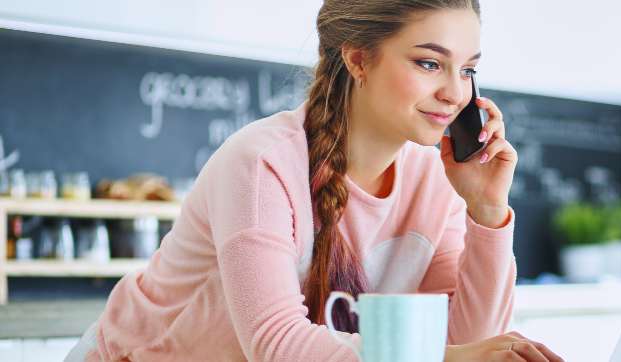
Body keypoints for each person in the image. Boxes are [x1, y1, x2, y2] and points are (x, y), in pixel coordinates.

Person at [66, 0, 563, 361]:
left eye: (469, 69)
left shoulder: (440, 183)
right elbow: (276, 344)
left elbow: (468, 341)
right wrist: (449, 359)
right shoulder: (262, 163)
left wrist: (487, 212)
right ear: (359, 59)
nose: (456, 93)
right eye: (429, 63)